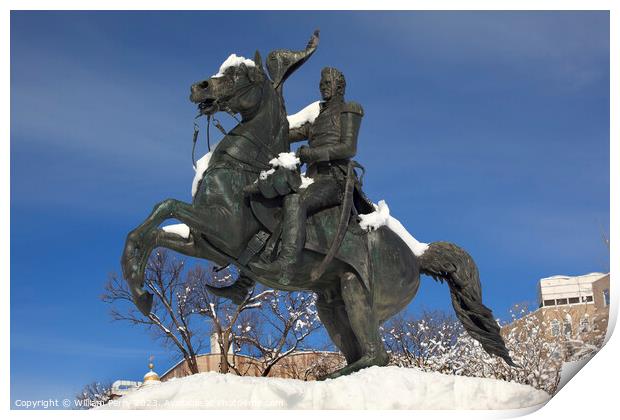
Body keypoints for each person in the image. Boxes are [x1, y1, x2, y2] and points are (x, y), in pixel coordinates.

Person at [250, 67, 364, 284]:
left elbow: (349, 148)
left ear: (339, 87)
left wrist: (312, 153)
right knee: (269, 202)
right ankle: (246, 280)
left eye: (326, 84)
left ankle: (286, 264)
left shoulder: (350, 109)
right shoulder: (317, 116)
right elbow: (284, 134)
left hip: (334, 179)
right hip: (311, 178)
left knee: (295, 201)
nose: (322, 88)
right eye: (320, 85)